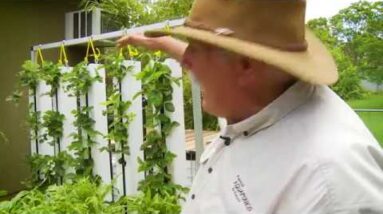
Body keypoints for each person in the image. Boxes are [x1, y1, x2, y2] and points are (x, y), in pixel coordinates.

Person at [118, 0, 383, 213]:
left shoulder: (329, 186)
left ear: (246, 64)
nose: (186, 62)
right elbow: (218, 63)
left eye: (196, 48)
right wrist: (163, 44)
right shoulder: (258, 92)